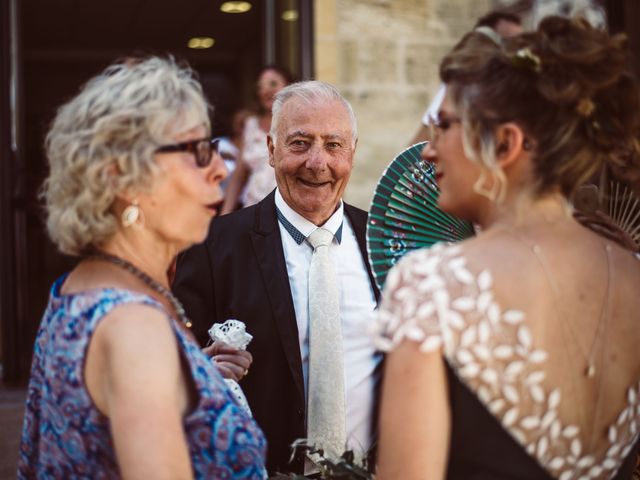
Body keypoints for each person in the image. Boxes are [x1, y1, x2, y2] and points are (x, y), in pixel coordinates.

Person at [374, 16, 640, 479]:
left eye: (445, 125)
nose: (427, 151)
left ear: (505, 142)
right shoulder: (633, 275)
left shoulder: (433, 286)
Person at [18, 56, 266, 479]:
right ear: (125, 177)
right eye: (199, 151)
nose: (221, 169)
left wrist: (193, 372)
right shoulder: (135, 328)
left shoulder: (78, 286)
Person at [173, 81, 383, 474]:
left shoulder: (384, 244)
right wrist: (201, 370)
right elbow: (174, 373)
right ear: (271, 150)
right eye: (300, 143)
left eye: (334, 145)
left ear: (352, 152)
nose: (317, 163)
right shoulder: (212, 246)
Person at [409, 10, 523, 146]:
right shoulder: (460, 85)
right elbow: (424, 140)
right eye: (508, 42)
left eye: (520, 44)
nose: (516, 51)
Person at [221, 66, 293, 213]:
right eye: (260, 87)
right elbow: (238, 177)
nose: (266, 90)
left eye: (273, 84)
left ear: (289, 86)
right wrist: (224, 216)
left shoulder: (300, 124)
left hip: (289, 212)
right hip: (254, 210)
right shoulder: (250, 125)